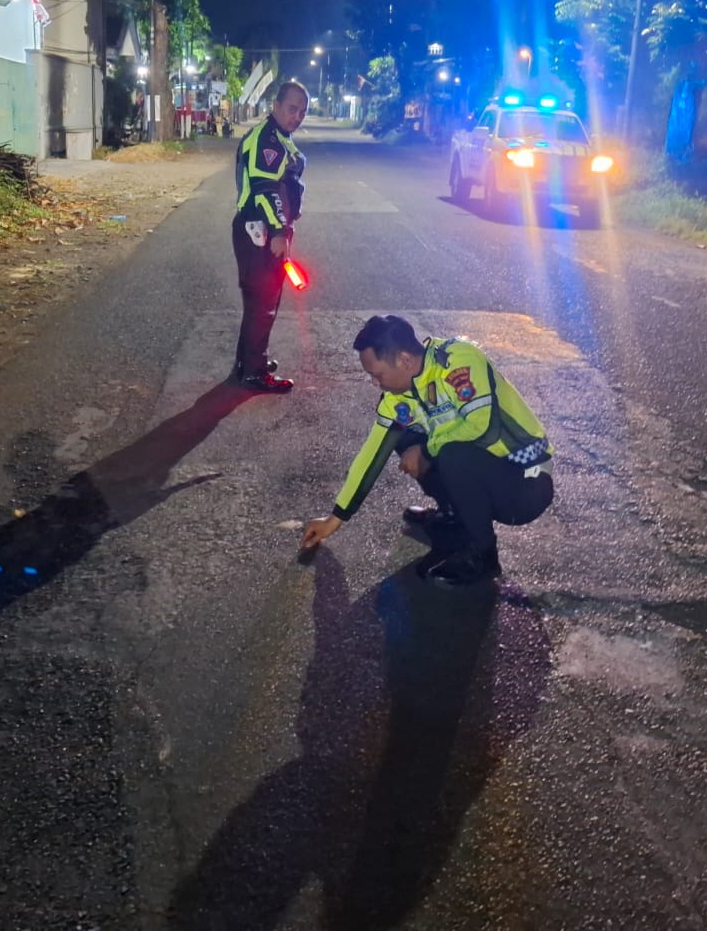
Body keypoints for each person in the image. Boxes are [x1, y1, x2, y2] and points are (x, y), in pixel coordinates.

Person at [299, 315, 555, 586]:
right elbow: (372, 454)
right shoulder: (397, 397)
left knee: (449, 452)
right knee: (404, 437)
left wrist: (427, 450)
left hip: (525, 484)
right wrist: (335, 519)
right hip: (488, 475)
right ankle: (457, 518)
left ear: (404, 360)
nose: (374, 383)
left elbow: (484, 427)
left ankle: (483, 555)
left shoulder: (457, 360)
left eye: (377, 374)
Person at [230, 81, 308, 392]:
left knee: (258, 303)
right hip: (259, 230)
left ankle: (248, 362)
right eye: (292, 109)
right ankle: (254, 373)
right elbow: (265, 189)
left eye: (302, 112)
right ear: (275, 105)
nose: (297, 116)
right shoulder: (268, 141)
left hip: (259, 230)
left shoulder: (278, 137)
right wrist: (278, 231)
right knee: (264, 303)